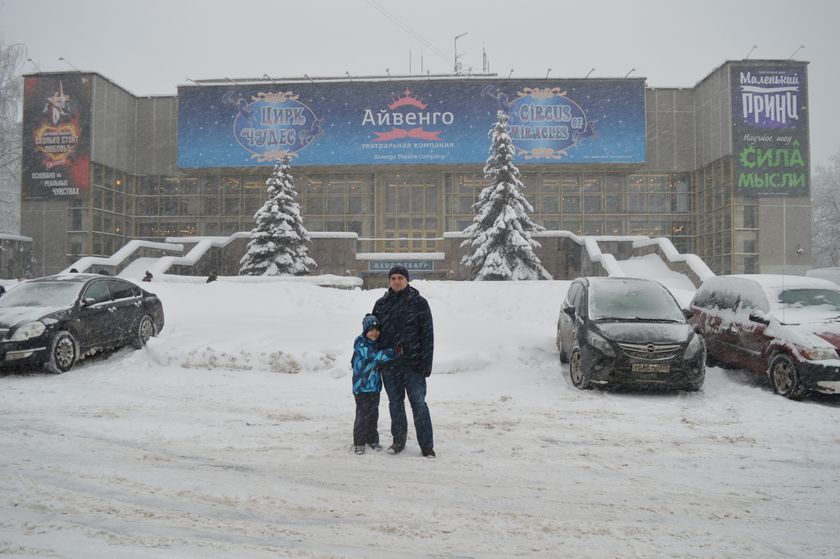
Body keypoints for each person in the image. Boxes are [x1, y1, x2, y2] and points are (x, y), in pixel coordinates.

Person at [373, 265, 436, 457]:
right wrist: (376, 360)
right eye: (393, 278)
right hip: (390, 366)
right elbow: (373, 335)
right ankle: (398, 441)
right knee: (395, 404)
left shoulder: (419, 303)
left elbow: (428, 335)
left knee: (419, 404)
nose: (397, 281)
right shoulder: (381, 304)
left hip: (414, 365)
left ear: (407, 280)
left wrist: (426, 364)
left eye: (400, 277)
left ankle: (427, 446)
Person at [351, 313, 400, 455]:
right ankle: (359, 442)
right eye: (371, 330)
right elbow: (374, 356)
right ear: (366, 330)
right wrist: (394, 352)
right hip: (361, 387)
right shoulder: (360, 343)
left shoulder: (376, 344)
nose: (375, 333)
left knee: (373, 414)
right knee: (362, 415)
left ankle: (372, 439)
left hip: (374, 387)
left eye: (377, 330)